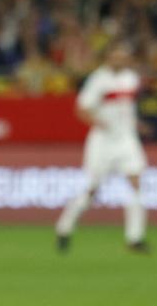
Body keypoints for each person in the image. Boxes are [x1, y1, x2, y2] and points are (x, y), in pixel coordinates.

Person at [56, 41, 151, 253]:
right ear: (108, 58)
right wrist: (100, 123)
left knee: (136, 183)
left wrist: (136, 124)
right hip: (103, 141)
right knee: (92, 190)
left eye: (123, 57)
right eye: (116, 56)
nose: (120, 60)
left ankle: (135, 237)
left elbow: (126, 108)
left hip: (126, 139)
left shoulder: (131, 78)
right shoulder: (98, 80)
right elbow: (81, 109)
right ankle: (64, 227)